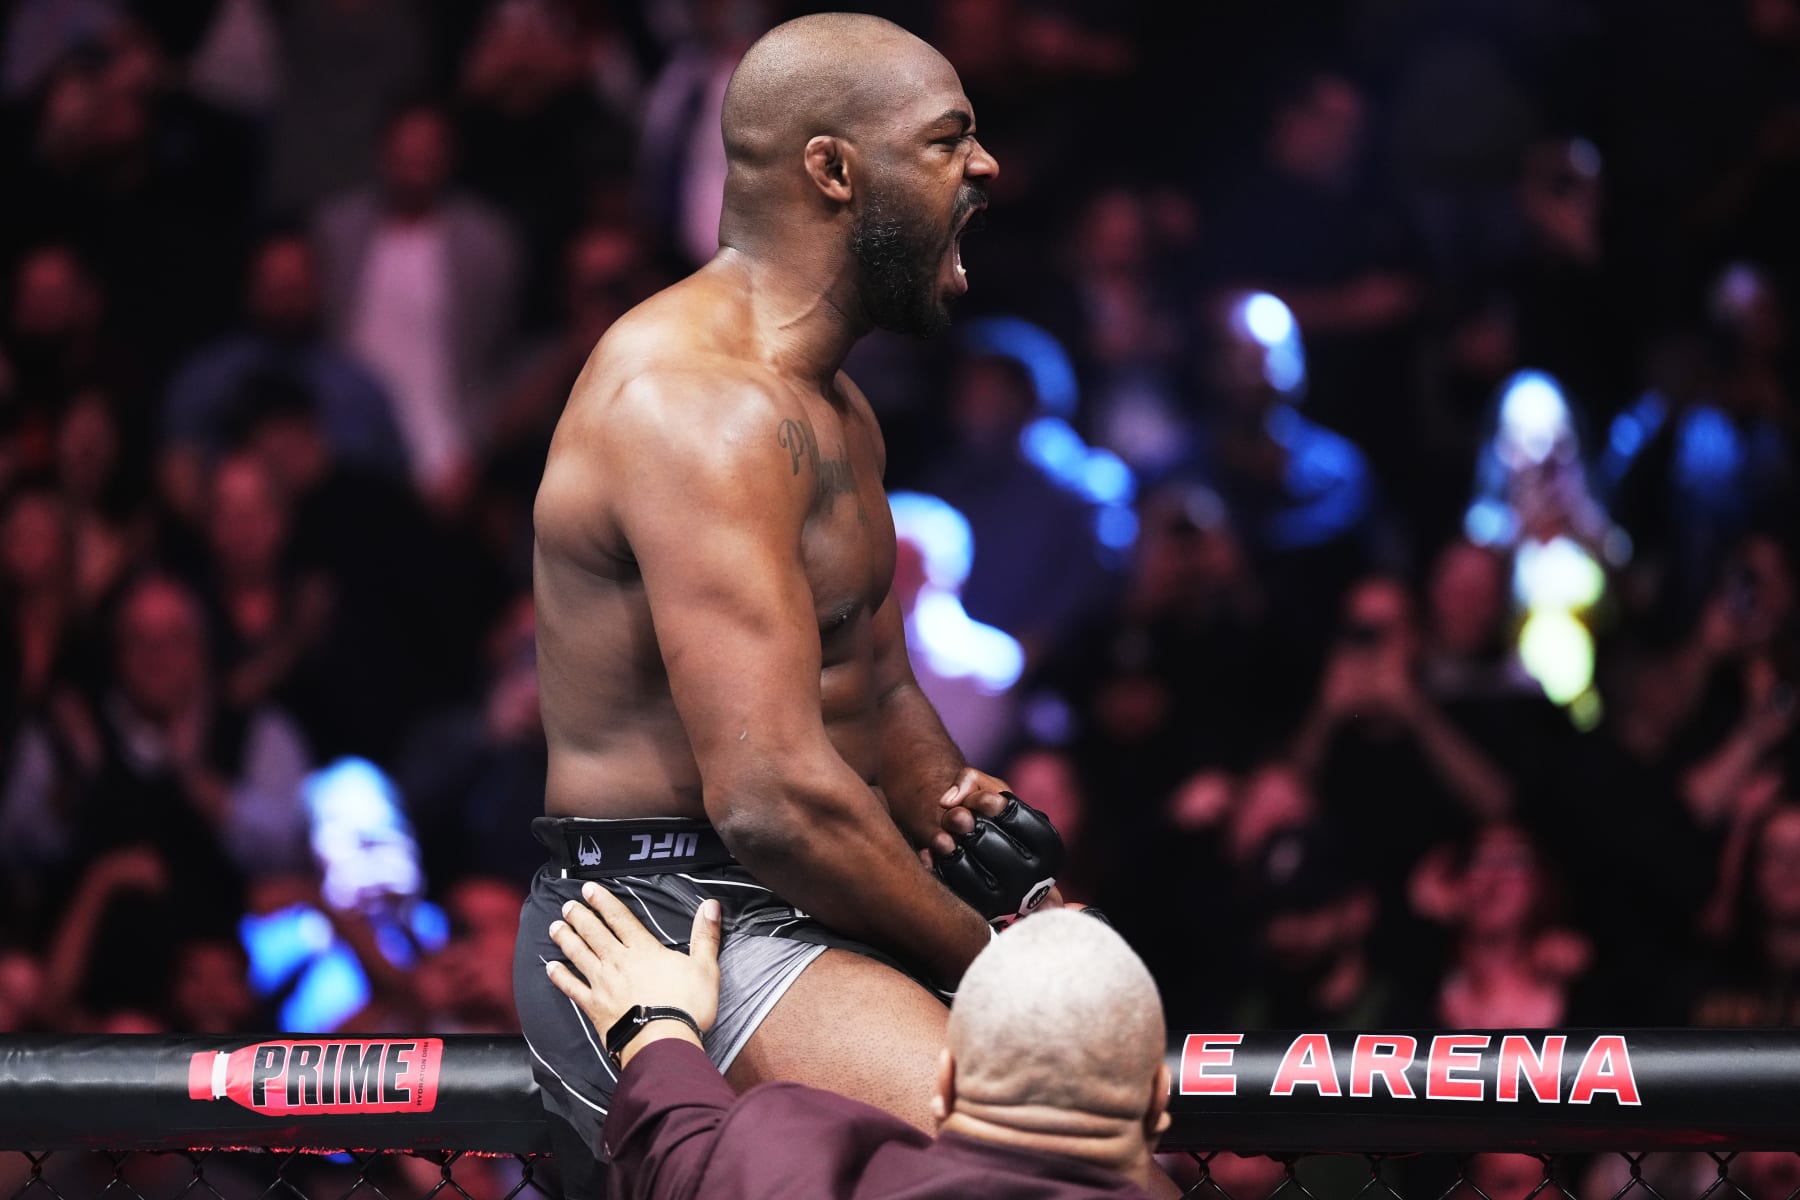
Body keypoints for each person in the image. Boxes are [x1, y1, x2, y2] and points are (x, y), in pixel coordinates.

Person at [516, 12, 1134, 1196]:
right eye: (948, 139)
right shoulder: (693, 406)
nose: (987, 165)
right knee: (1048, 1153)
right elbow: (771, 800)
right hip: (670, 918)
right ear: (834, 170)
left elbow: (882, 690)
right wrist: (1003, 970)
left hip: (816, 883)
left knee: (1106, 1111)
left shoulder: (834, 407)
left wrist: (962, 823)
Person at [544, 888, 1167, 1199]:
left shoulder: (801, 1158)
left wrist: (653, 1025)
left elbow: (689, 1163)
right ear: (1155, 1103)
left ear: (948, 1084)